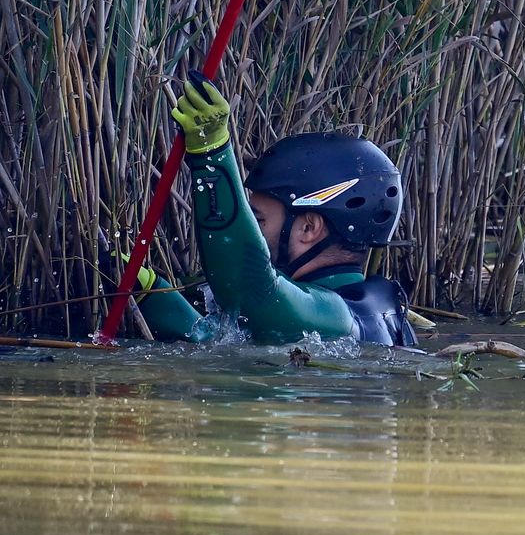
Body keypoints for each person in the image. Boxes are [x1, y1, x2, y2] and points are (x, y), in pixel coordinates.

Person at [131, 72, 417, 346]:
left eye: (258, 220)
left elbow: (252, 290)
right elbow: (214, 339)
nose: (252, 230)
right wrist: (147, 290)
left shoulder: (339, 317)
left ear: (308, 228)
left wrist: (211, 150)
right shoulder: (371, 313)